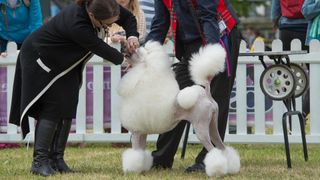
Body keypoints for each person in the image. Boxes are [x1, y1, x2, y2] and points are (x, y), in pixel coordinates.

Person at [9, 0, 139, 176]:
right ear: (92, 16)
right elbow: (99, 46)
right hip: (41, 57)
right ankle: (39, 162)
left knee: (69, 104)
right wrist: (128, 60)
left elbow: (129, 17)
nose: (110, 26)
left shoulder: (106, 5)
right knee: (53, 108)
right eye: (106, 24)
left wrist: (132, 36)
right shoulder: (77, 23)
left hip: (64, 62)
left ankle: (57, 159)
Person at [144, 0, 241, 173]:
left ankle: (209, 160)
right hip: (190, 41)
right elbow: (160, 23)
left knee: (214, 99)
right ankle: (161, 158)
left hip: (218, 35)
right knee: (175, 97)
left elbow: (208, 16)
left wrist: (211, 59)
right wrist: (146, 56)